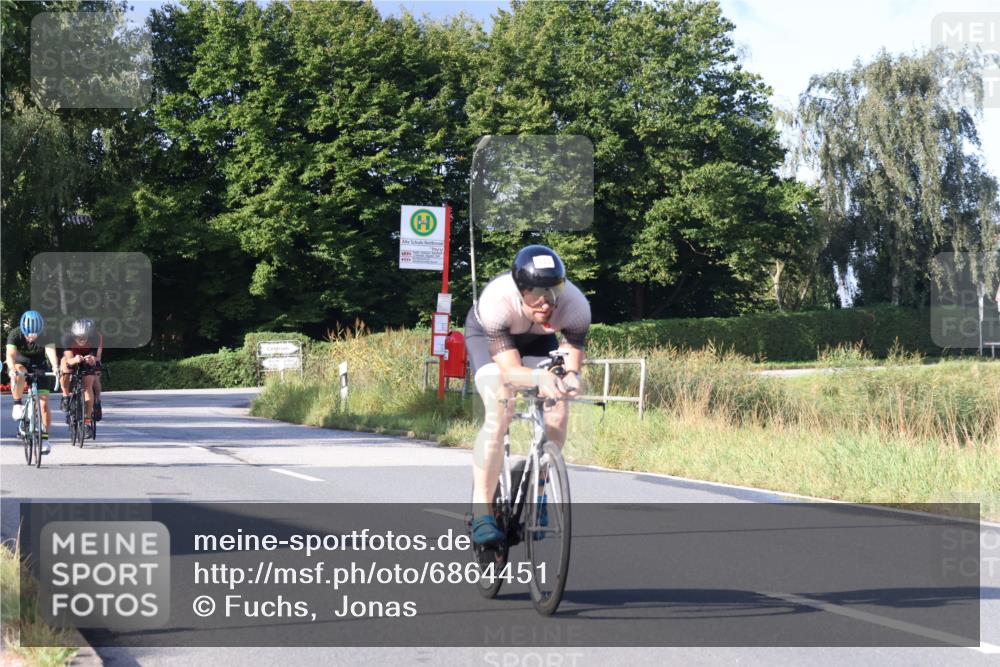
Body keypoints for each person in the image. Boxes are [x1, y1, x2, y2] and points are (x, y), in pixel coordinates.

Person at [463, 245, 591, 545]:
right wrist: (537, 377)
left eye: (552, 293)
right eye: (536, 294)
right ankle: (482, 510)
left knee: (558, 406)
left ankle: (540, 491)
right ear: (520, 289)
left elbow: (571, 362)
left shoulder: (576, 306)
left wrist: (571, 379)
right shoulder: (497, 301)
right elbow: (509, 371)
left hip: (538, 340)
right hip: (488, 337)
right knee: (500, 405)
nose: (546, 303)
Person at [5, 310, 59, 453]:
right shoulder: (15, 334)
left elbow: (50, 351)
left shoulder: (46, 334)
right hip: (21, 364)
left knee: (44, 404)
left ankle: (45, 439)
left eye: (35, 336)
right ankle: (17, 404)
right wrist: (11, 368)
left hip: (40, 366)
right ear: (23, 330)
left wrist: (55, 367)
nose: (31, 338)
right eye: (29, 335)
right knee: (18, 372)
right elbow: (10, 354)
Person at [59, 318, 104, 432]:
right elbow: (69, 359)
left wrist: (92, 360)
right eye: (78, 338)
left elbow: (96, 356)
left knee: (91, 381)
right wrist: (74, 360)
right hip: (72, 356)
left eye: (84, 338)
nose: (82, 340)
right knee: (64, 365)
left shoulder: (95, 337)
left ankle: (88, 420)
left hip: (87, 357)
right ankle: (65, 396)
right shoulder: (66, 337)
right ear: (73, 335)